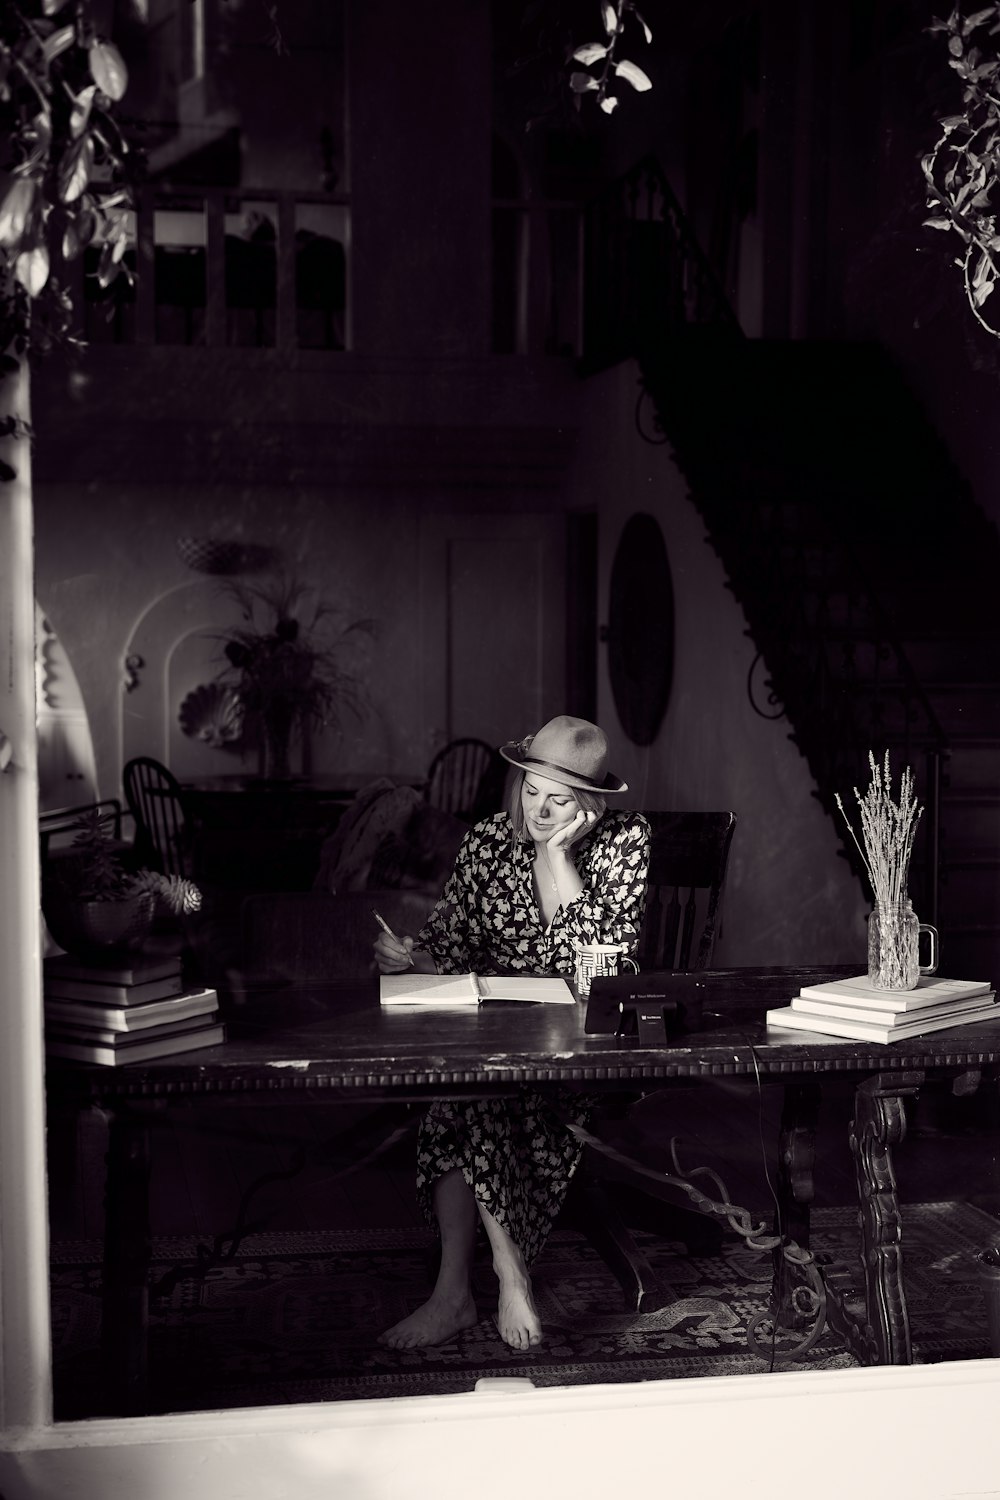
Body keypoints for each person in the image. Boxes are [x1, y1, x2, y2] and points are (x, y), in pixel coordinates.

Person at [373, 715, 650, 1352]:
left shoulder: (625, 840)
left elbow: (597, 969)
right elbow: (447, 944)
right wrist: (409, 957)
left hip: (586, 1047)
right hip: (495, 1033)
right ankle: (495, 1277)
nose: (539, 811)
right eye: (531, 792)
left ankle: (463, 1290)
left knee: (474, 1098)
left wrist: (555, 860)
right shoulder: (490, 840)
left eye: (559, 801)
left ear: (589, 803)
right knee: (470, 1090)